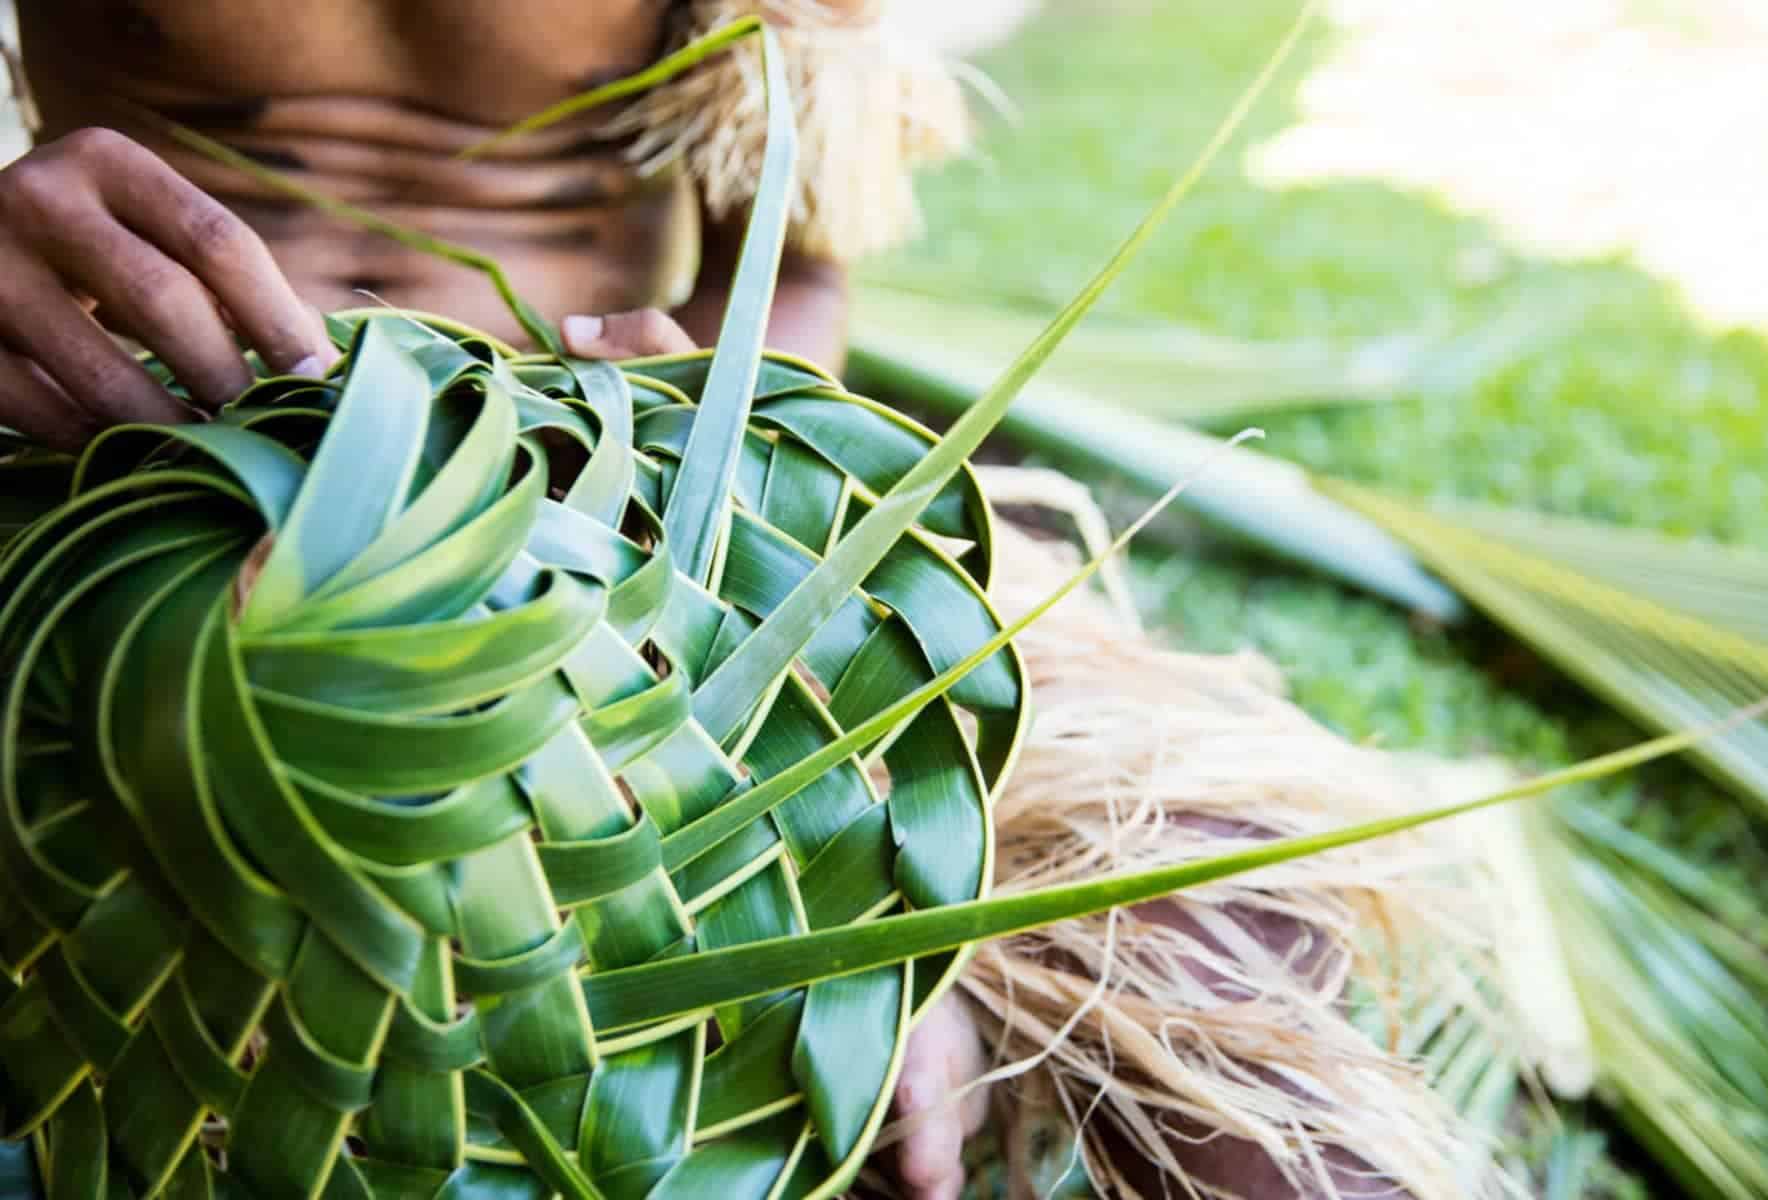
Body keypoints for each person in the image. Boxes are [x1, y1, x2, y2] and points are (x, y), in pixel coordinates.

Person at [1, 4, 1486, 1197]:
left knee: (1210, 918)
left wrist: (715, 467)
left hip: (648, 479)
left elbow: (798, 259)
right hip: (146, 500)